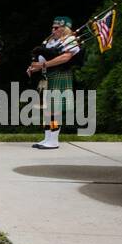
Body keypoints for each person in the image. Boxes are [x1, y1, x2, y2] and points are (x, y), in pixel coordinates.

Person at [27, 15, 81, 150]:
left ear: (64, 29)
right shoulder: (50, 41)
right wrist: (33, 67)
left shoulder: (70, 40)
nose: (53, 30)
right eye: (52, 27)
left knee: (54, 109)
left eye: (56, 28)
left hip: (60, 74)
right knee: (46, 108)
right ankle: (47, 137)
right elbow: (42, 57)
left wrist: (43, 65)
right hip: (47, 75)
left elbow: (65, 57)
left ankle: (54, 140)